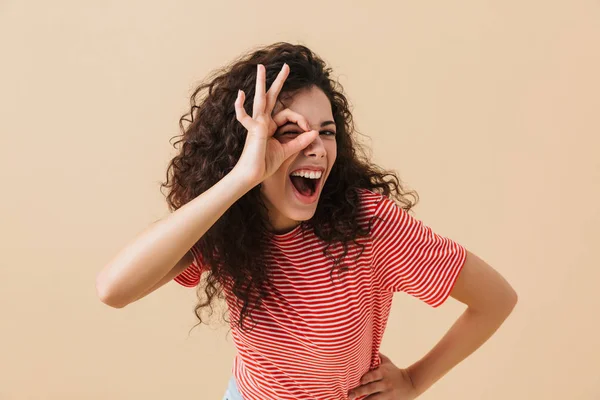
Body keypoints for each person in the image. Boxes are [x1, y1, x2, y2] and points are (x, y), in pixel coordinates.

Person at [96, 42, 518, 400]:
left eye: (327, 132)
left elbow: (496, 299)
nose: (315, 148)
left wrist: (412, 381)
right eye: (290, 132)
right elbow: (114, 289)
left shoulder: (368, 223)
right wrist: (243, 178)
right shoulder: (229, 219)